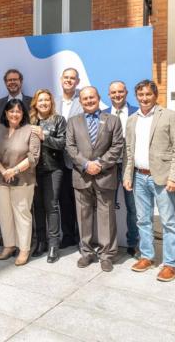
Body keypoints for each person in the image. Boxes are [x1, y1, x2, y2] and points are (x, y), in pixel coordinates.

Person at [123, 79, 175, 282]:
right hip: (139, 176)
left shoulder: (169, 116)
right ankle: (147, 256)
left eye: (148, 94)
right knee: (142, 220)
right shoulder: (132, 119)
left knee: (168, 222)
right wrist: (127, 175)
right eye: (140, 95)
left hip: (163, 177)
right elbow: (129, 151)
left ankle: (170, 264)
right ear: (136, 96)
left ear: (155, 95)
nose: (144, 98)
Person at [65, 86, 124, 272]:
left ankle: (107, 255)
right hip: (82, 175)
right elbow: (70, 147)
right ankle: (87, 252)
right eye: (85, 98)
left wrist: (99, 164)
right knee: (83, 216)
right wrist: (85, 164)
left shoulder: (112, 120)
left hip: (104, 174)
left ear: (98, 98)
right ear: (80, 102)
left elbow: (117, 146)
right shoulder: (73, 121)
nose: (89, 101)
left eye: (92, 97)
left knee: (106, 216)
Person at [0, 99, 40, 266]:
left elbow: (33, 157)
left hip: (23, 180)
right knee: (4, 214)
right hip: (0, 178)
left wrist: (14, 170)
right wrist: (4, 171)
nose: (14, 114)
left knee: (22, 215)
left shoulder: (30, 131)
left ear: (23, 113)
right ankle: (9, 246)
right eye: (11, 111)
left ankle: (24, 249)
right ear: (5, 113)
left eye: (18, 111)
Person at [103, 81, 139, 257]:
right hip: (109, 167)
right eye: (113, 92)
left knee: (133, 207)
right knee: (106, 207)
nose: (117, 95)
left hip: (130, 167)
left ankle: (133, 243)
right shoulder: (102, 115)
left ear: (126, 93)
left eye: (120, 91)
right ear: (108, 95)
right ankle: (108, 244)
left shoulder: (137, 113)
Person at [30, 89, 66, 263]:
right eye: (40, 100)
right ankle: (41, 242)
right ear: (35, 103)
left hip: (53, 169)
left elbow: (62, 144)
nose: (44, 103)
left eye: (47, 100)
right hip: (33, 171)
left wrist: (43, 136)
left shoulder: (58, 120)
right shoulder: (30, 121)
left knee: (51, 206)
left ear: (51, 103)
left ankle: (53, 245)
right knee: (37, 206)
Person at [57, 67, 83, 248]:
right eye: (66, 77)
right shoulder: (54, 102)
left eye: (72, 78)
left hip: (78, 160)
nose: (69, 80)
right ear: (61, 79)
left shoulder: (84, 99)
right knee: (64, 200)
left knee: (81, 202)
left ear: (77, 81)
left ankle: (83, 237)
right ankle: (67, 235)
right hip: (59, 160)